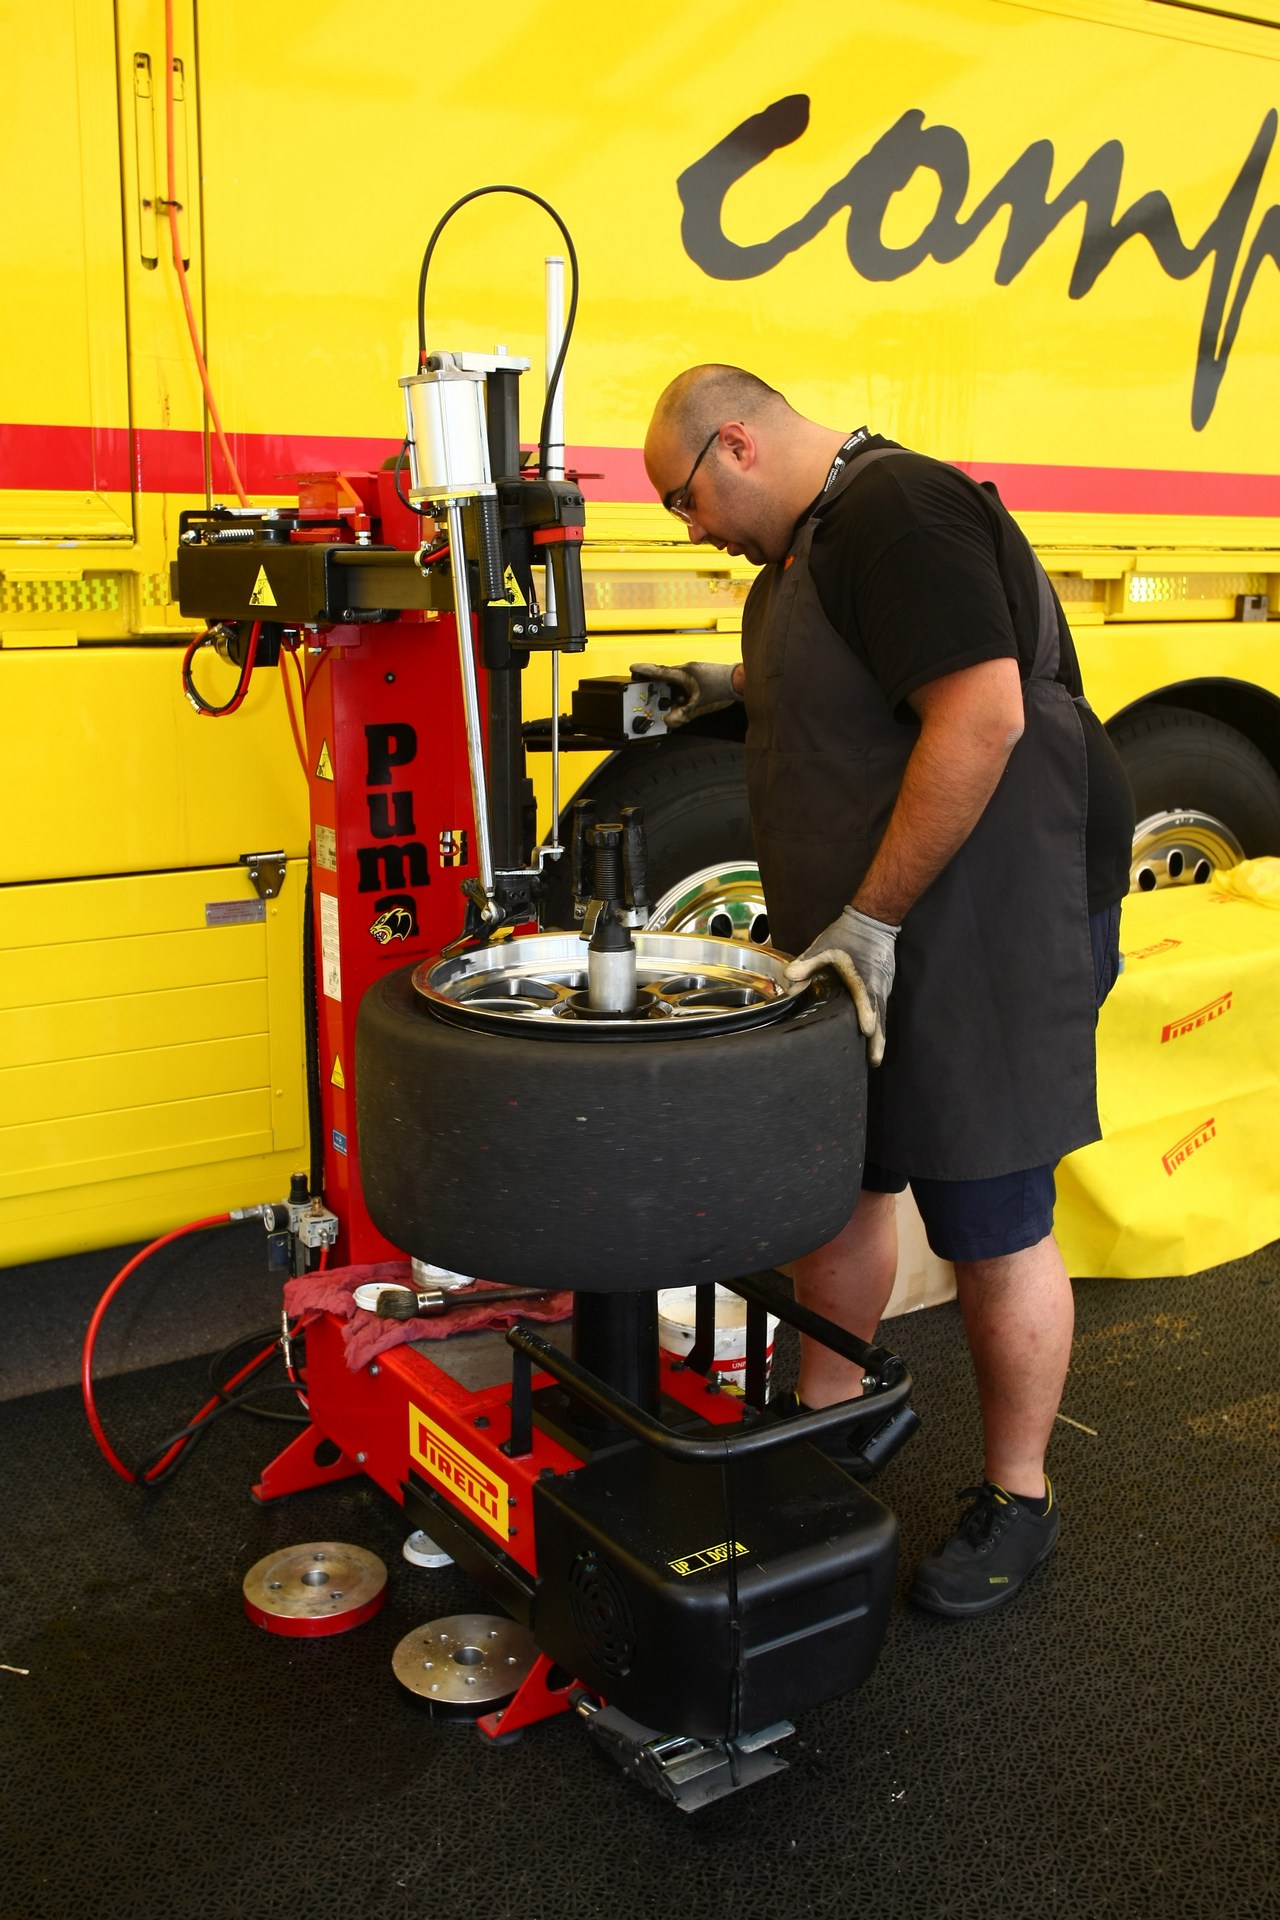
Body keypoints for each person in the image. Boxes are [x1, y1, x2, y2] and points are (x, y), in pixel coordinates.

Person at [637, 365, 1134, 1617]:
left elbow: (979, 717)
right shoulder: (800, 557)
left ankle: (1018, 1497)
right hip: (860, 933)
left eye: (682, 500)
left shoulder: (895, 512)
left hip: (985, 926)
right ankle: (829, 1419)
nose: (689, 529)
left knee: (990, 1214)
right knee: (838, 1176)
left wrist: (869, 920)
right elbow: (853, 703)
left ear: (735, 444)